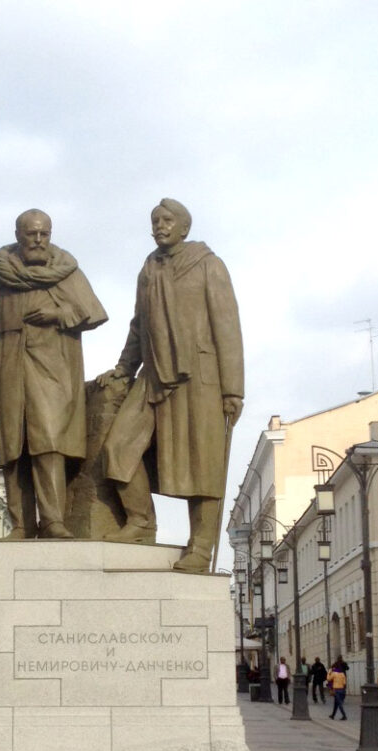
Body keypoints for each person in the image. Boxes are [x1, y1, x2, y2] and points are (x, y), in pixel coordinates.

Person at [99, 199, 244, 573]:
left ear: (183, 228)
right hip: (153, 374)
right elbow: (138, 324)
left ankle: (200, 547)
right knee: (118, 447)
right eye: (155, 221)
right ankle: (141, 521)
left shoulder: (208, 264)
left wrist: (233, 389)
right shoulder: (149, 267)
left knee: (202, 464)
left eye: (167, 220)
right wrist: (123, 368)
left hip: (200, 376)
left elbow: (227, 327)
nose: (160, 226)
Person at [0, 209, 108, 539]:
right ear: (18, 234)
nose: (37, 240)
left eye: (44, 234)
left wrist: (57, 313)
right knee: (14, 451)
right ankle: (21, 523)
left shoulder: (65, 271)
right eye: (31, 234)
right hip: (8, 372)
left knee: (48, 444)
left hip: (52, 371)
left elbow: (94, 312)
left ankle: (52, 520)